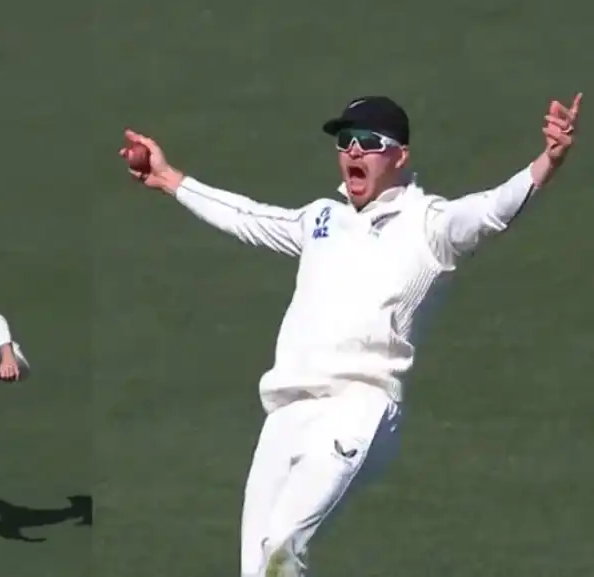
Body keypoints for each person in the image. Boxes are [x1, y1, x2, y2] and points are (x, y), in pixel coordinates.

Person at [120, 93, 581, 577]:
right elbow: (249, 217)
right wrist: (169, 178)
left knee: (284, 546)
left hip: (359, 408)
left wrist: (549, 160)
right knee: (256, 571)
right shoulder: (321, 218)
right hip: (285, 414)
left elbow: (492, 211)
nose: (353, 152)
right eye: (345, 142)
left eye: (368, 142)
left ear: (400, 155)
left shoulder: (432, 224)